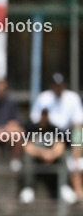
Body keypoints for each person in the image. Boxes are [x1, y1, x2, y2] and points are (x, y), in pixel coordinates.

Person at [30, 73, 83, 203]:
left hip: (67, 136)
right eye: (55, 85)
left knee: (75, 148)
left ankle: (71, 188)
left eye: (60, 85)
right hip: (48, 134)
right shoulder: (44, 98)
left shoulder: (73, 98)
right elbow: (35, 121)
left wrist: (77, 148)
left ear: (65, 85)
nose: (58, 88)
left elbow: (78, 124)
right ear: (51, 86)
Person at [18, 108, 70, 204]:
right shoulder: (30, 128)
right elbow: (26, 146)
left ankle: (64, 186)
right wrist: (42, 154)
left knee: (63, 157)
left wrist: (52, 154)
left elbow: (60, 145)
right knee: (27, 158)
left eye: (46, 114)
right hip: (36, 158)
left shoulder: (54, 128)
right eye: (43, 114)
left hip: (51, 158)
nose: (44, 117)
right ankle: (28, 188)